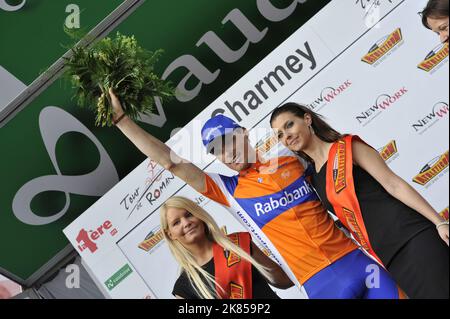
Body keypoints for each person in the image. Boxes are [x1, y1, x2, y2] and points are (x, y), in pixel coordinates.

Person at [109, 89, 404, 299]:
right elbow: (169, 160)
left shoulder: (289, 155)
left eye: (230, 142)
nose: (227, 153)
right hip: (320, 286)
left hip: (356, 261)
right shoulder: (228, 189)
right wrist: (123, 121)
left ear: (245, 133)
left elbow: (335, 159)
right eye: (217, 150)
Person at [270, 102, 450, 299]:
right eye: (279, 134)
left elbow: (394, 184)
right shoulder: (311, 179)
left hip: (412, 237)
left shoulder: (347, 147)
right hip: (387, 257)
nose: (286, 135)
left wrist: (439, 222)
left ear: (307, 119)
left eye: (289, 125)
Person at [160, 196, 292, 299]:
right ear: (170, 234)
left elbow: (284, 281)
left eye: (189, 214)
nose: (186, 223)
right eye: (176, 223)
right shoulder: (183, 287)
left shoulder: (238, 243)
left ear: (198, 214)